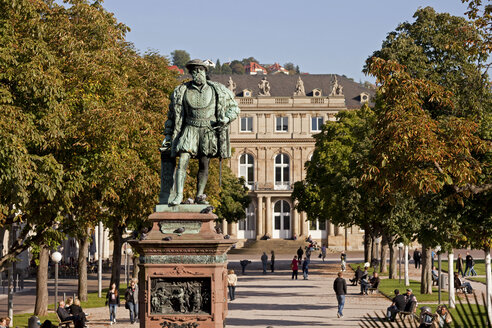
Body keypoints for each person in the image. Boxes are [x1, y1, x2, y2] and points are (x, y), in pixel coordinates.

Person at [161, 59, 239, 205]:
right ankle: (178, 195)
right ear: (190, 74)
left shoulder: (218, 90)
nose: (197, 74)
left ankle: (199, 195)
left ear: (205, 72)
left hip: (208, 130)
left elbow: (235, 108)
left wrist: (226, 119)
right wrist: (167, 135)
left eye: (200, 71)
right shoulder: (181, 91)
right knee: (183, 159)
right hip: (190, 128)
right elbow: (171, 116)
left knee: (204, 164)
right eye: (194, 71)